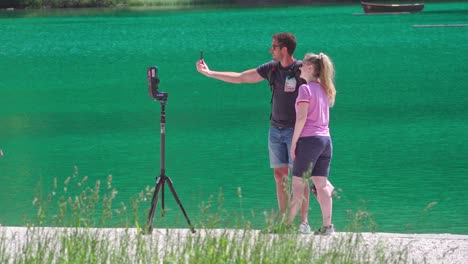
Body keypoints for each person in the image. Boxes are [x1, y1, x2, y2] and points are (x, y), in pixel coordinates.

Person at [196, 32, 308, 226]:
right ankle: (284, 221)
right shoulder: (271, 68)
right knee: (279, 175)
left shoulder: (300, 69)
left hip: (296, 131)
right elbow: (241, 77)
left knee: (300, 178)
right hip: (275, 130)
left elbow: (318, 90)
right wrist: (210, 73)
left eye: (273, 47)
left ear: (284, 49)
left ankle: (303, 222)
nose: (270, 50)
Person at [288, 52, 337, 235]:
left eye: (302, 65)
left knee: (298, 185)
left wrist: (293, 144)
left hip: (309, 141)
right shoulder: (325, 89)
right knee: (321, 184)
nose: (299, 67)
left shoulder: (305, 90)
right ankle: (327, 227)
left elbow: (301, 119)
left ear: (310, 68)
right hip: (326, 141)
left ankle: (285, 225)